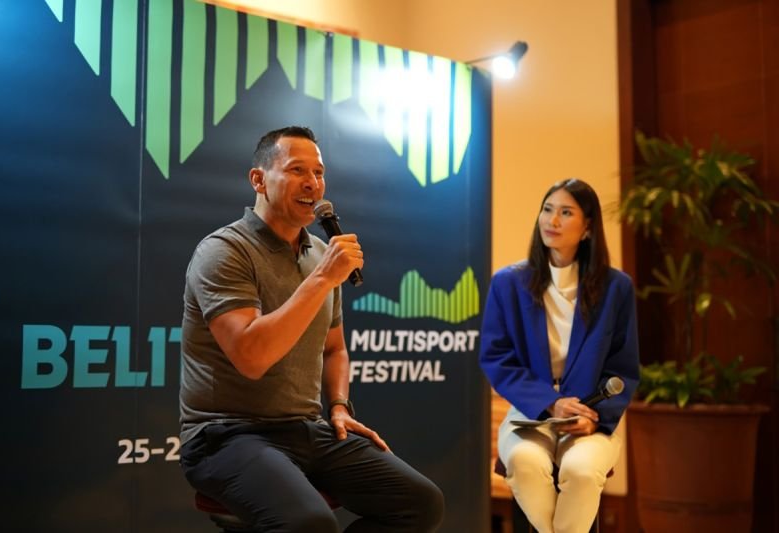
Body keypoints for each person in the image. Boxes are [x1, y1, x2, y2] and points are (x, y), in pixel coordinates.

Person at [179, 126, 444, 532]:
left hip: (304, 428)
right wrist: (321, 279)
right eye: (297, 170)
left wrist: (338, 406)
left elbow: (334, 349)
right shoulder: (224, 251)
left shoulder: (320, 253)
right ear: (259, 180)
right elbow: (252, 358)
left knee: (420, 503)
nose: (313, 183)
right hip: (226, 436)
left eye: (319, 173)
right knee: (310, 524)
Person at [479, 179, 639, 533]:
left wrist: (595, 417)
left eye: (566, 212)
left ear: (587, 227)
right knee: (524, 462)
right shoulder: (508, 283)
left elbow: (623, 369)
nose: (552, 220)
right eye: (547, 209)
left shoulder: (616, 288)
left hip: (590, 414)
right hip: (530, 411)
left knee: (581, 470)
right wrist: (551, 403)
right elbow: (496, 357)